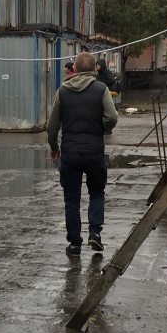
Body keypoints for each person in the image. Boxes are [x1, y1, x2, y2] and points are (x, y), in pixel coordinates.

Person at [47, 51, 118, 256]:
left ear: (75, 69)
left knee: (71, 199)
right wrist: (101, 129)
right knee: (96, 193)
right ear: (95, 68)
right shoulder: (101, 89)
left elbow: (52, 126)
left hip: (70, 153)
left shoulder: (62, 91)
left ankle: (75, 244)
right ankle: (94, 233)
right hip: (94, 151)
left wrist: (54, 147)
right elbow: (112, 117)